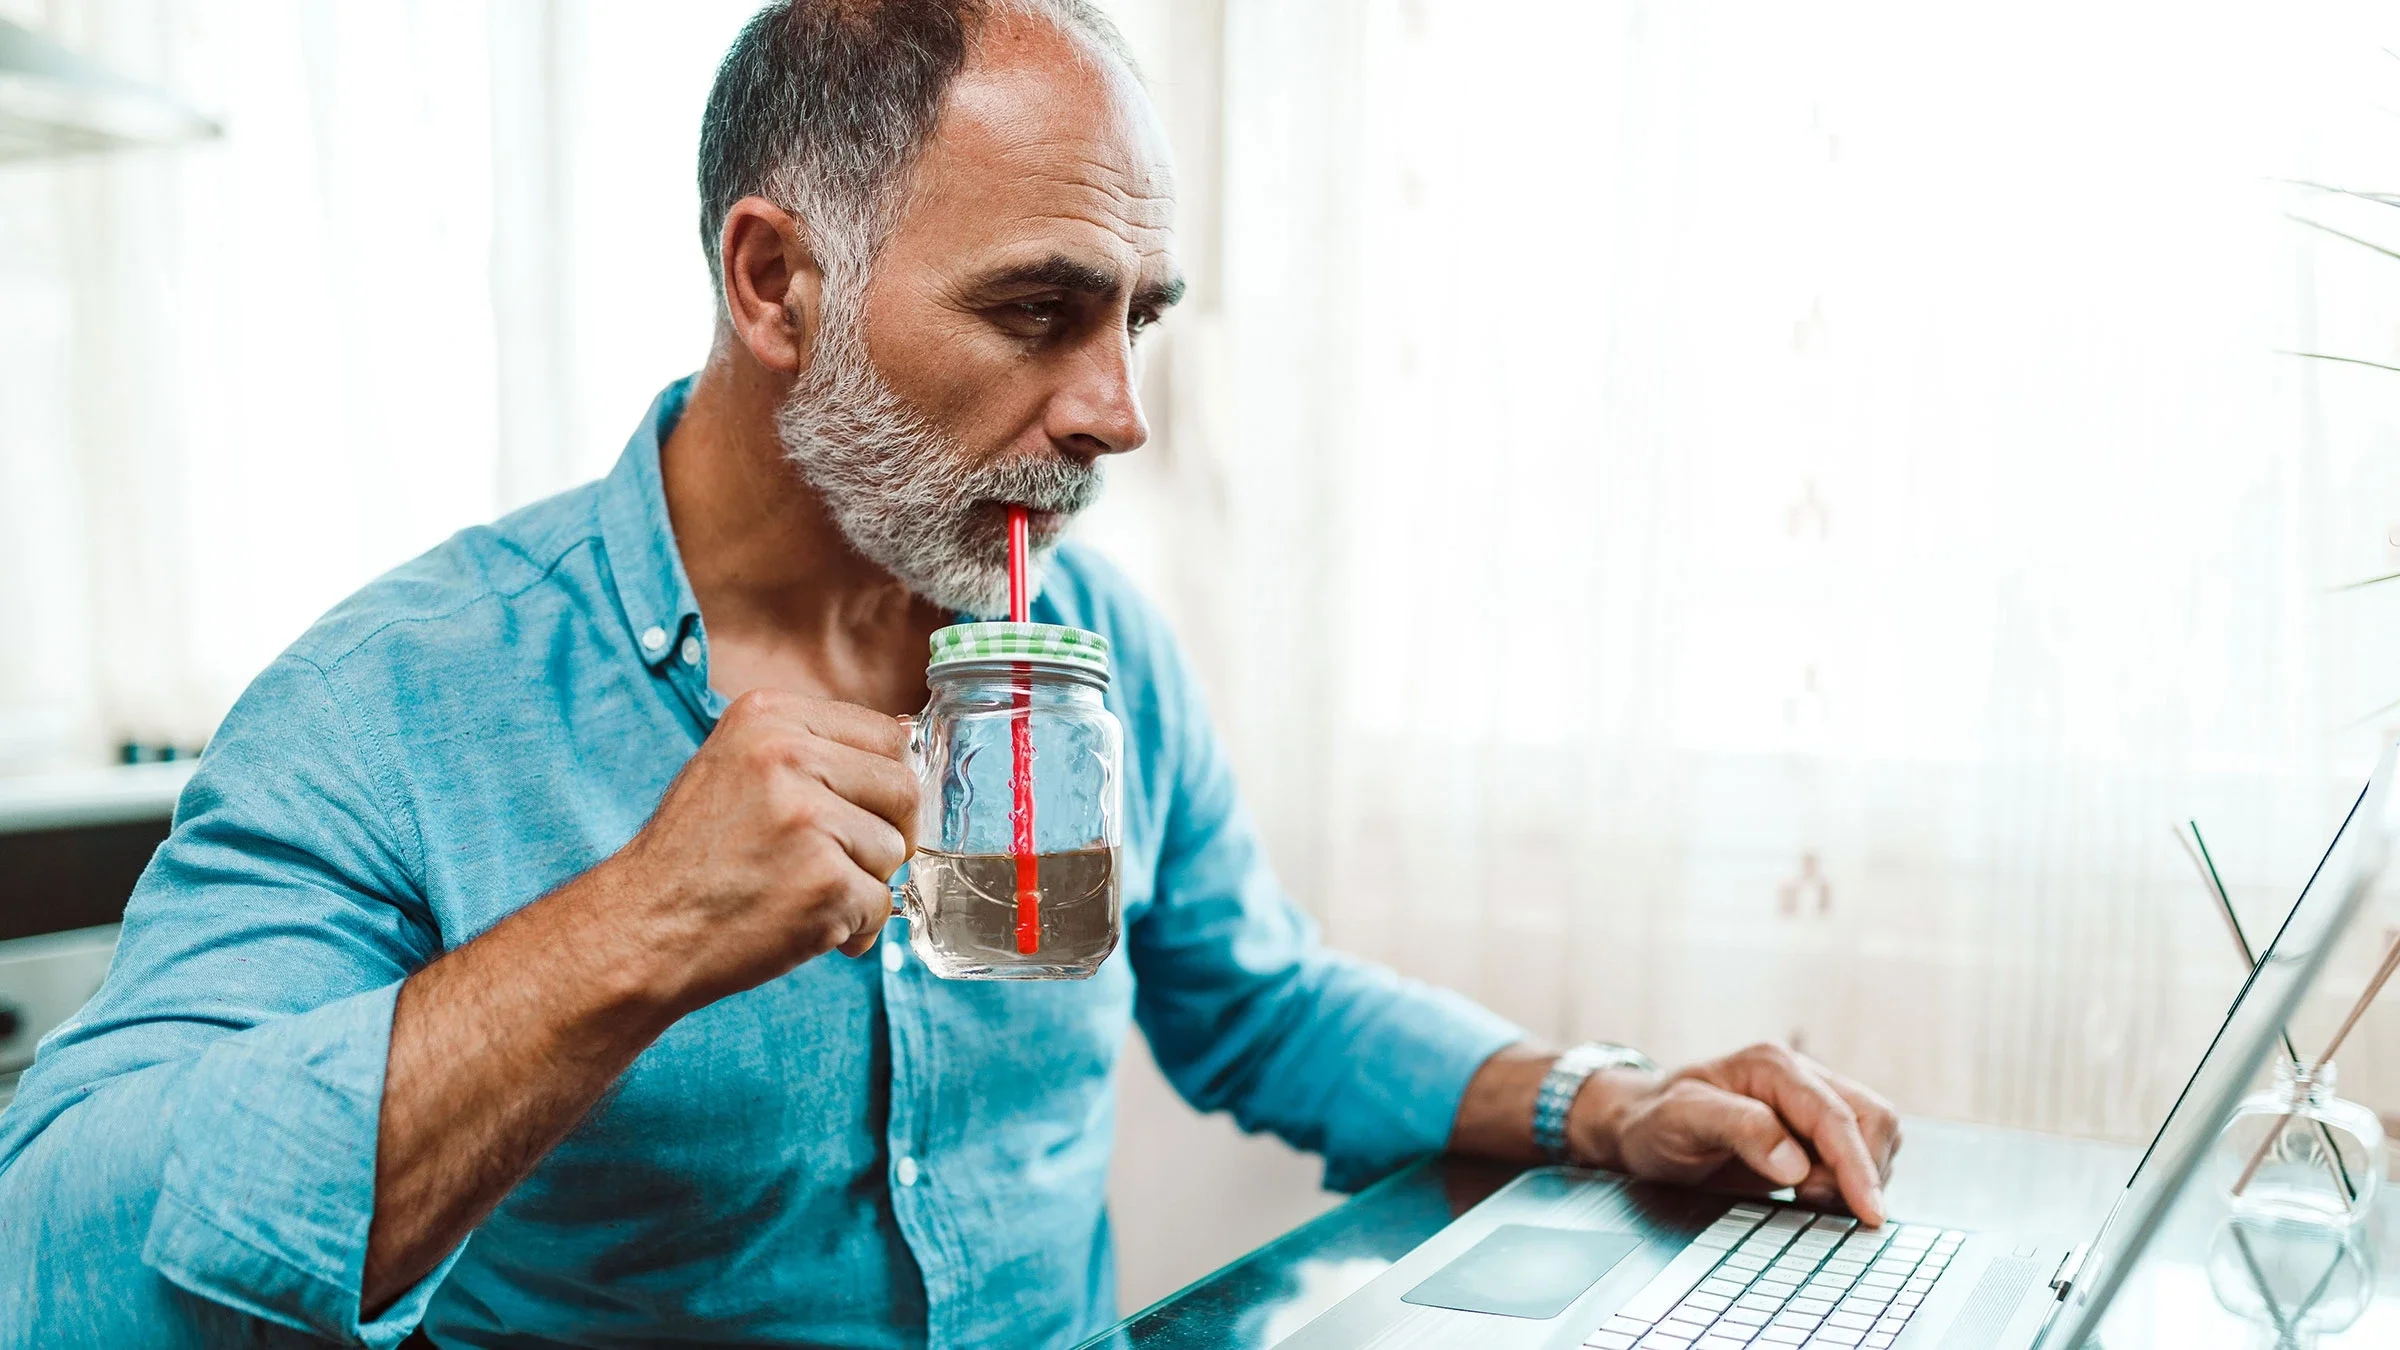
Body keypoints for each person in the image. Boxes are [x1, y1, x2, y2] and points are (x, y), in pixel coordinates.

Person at [0, 3, 1901, 1346]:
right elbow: (56, 1258)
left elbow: (1253, 990)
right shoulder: (397, 704)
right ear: (772, 284)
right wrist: (631, 931)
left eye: (1139, 317)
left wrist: (1606, 1097)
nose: (1119, 412)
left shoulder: (1095, 648)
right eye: (1036, 309)